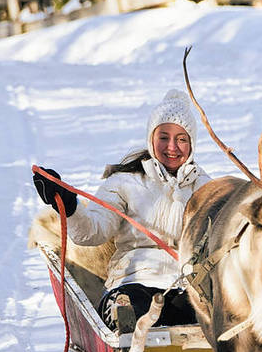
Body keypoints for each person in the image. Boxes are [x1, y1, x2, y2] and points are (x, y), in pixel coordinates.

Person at [33, 89, 210, 330]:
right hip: (134, 281)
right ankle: (123, 333)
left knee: (209, 316)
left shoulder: (207, 188)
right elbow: (92, 231)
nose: (172, 147)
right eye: (164, 137)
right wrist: (68, 204)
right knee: (130, 313)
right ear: (151, 138)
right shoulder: (125, 182)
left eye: (181, 139)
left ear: (191, 144)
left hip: (188, 286)